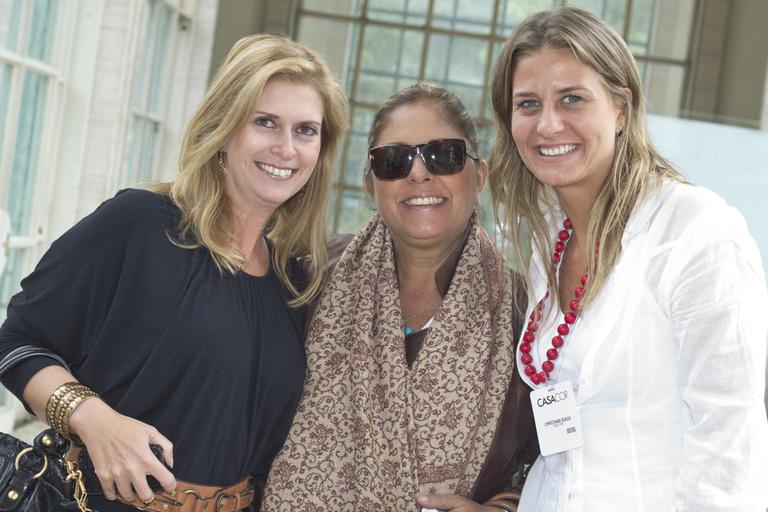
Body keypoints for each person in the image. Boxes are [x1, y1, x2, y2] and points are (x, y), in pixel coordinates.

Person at [0, 34, 348, 512]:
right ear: (225, 130)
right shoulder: (140, 224)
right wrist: (92, 417)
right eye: (265, 122)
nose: (286, 147)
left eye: (306, 130)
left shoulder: (293, 283)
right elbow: (15, 341)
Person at [484, 6, 768, 512]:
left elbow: (729, 437)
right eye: (528, 103)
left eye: (572, 98)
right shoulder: (548, 237)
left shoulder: (695, 232)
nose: (548, 124)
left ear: (621, 107)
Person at [261, 83, 538, 512]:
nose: (418, 173)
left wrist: (502, 509)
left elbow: (555, 463)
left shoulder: (528, 313)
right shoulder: (306, 279)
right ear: (371, 185)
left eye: (443, 155)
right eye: (394, 161)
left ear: (479, 176)